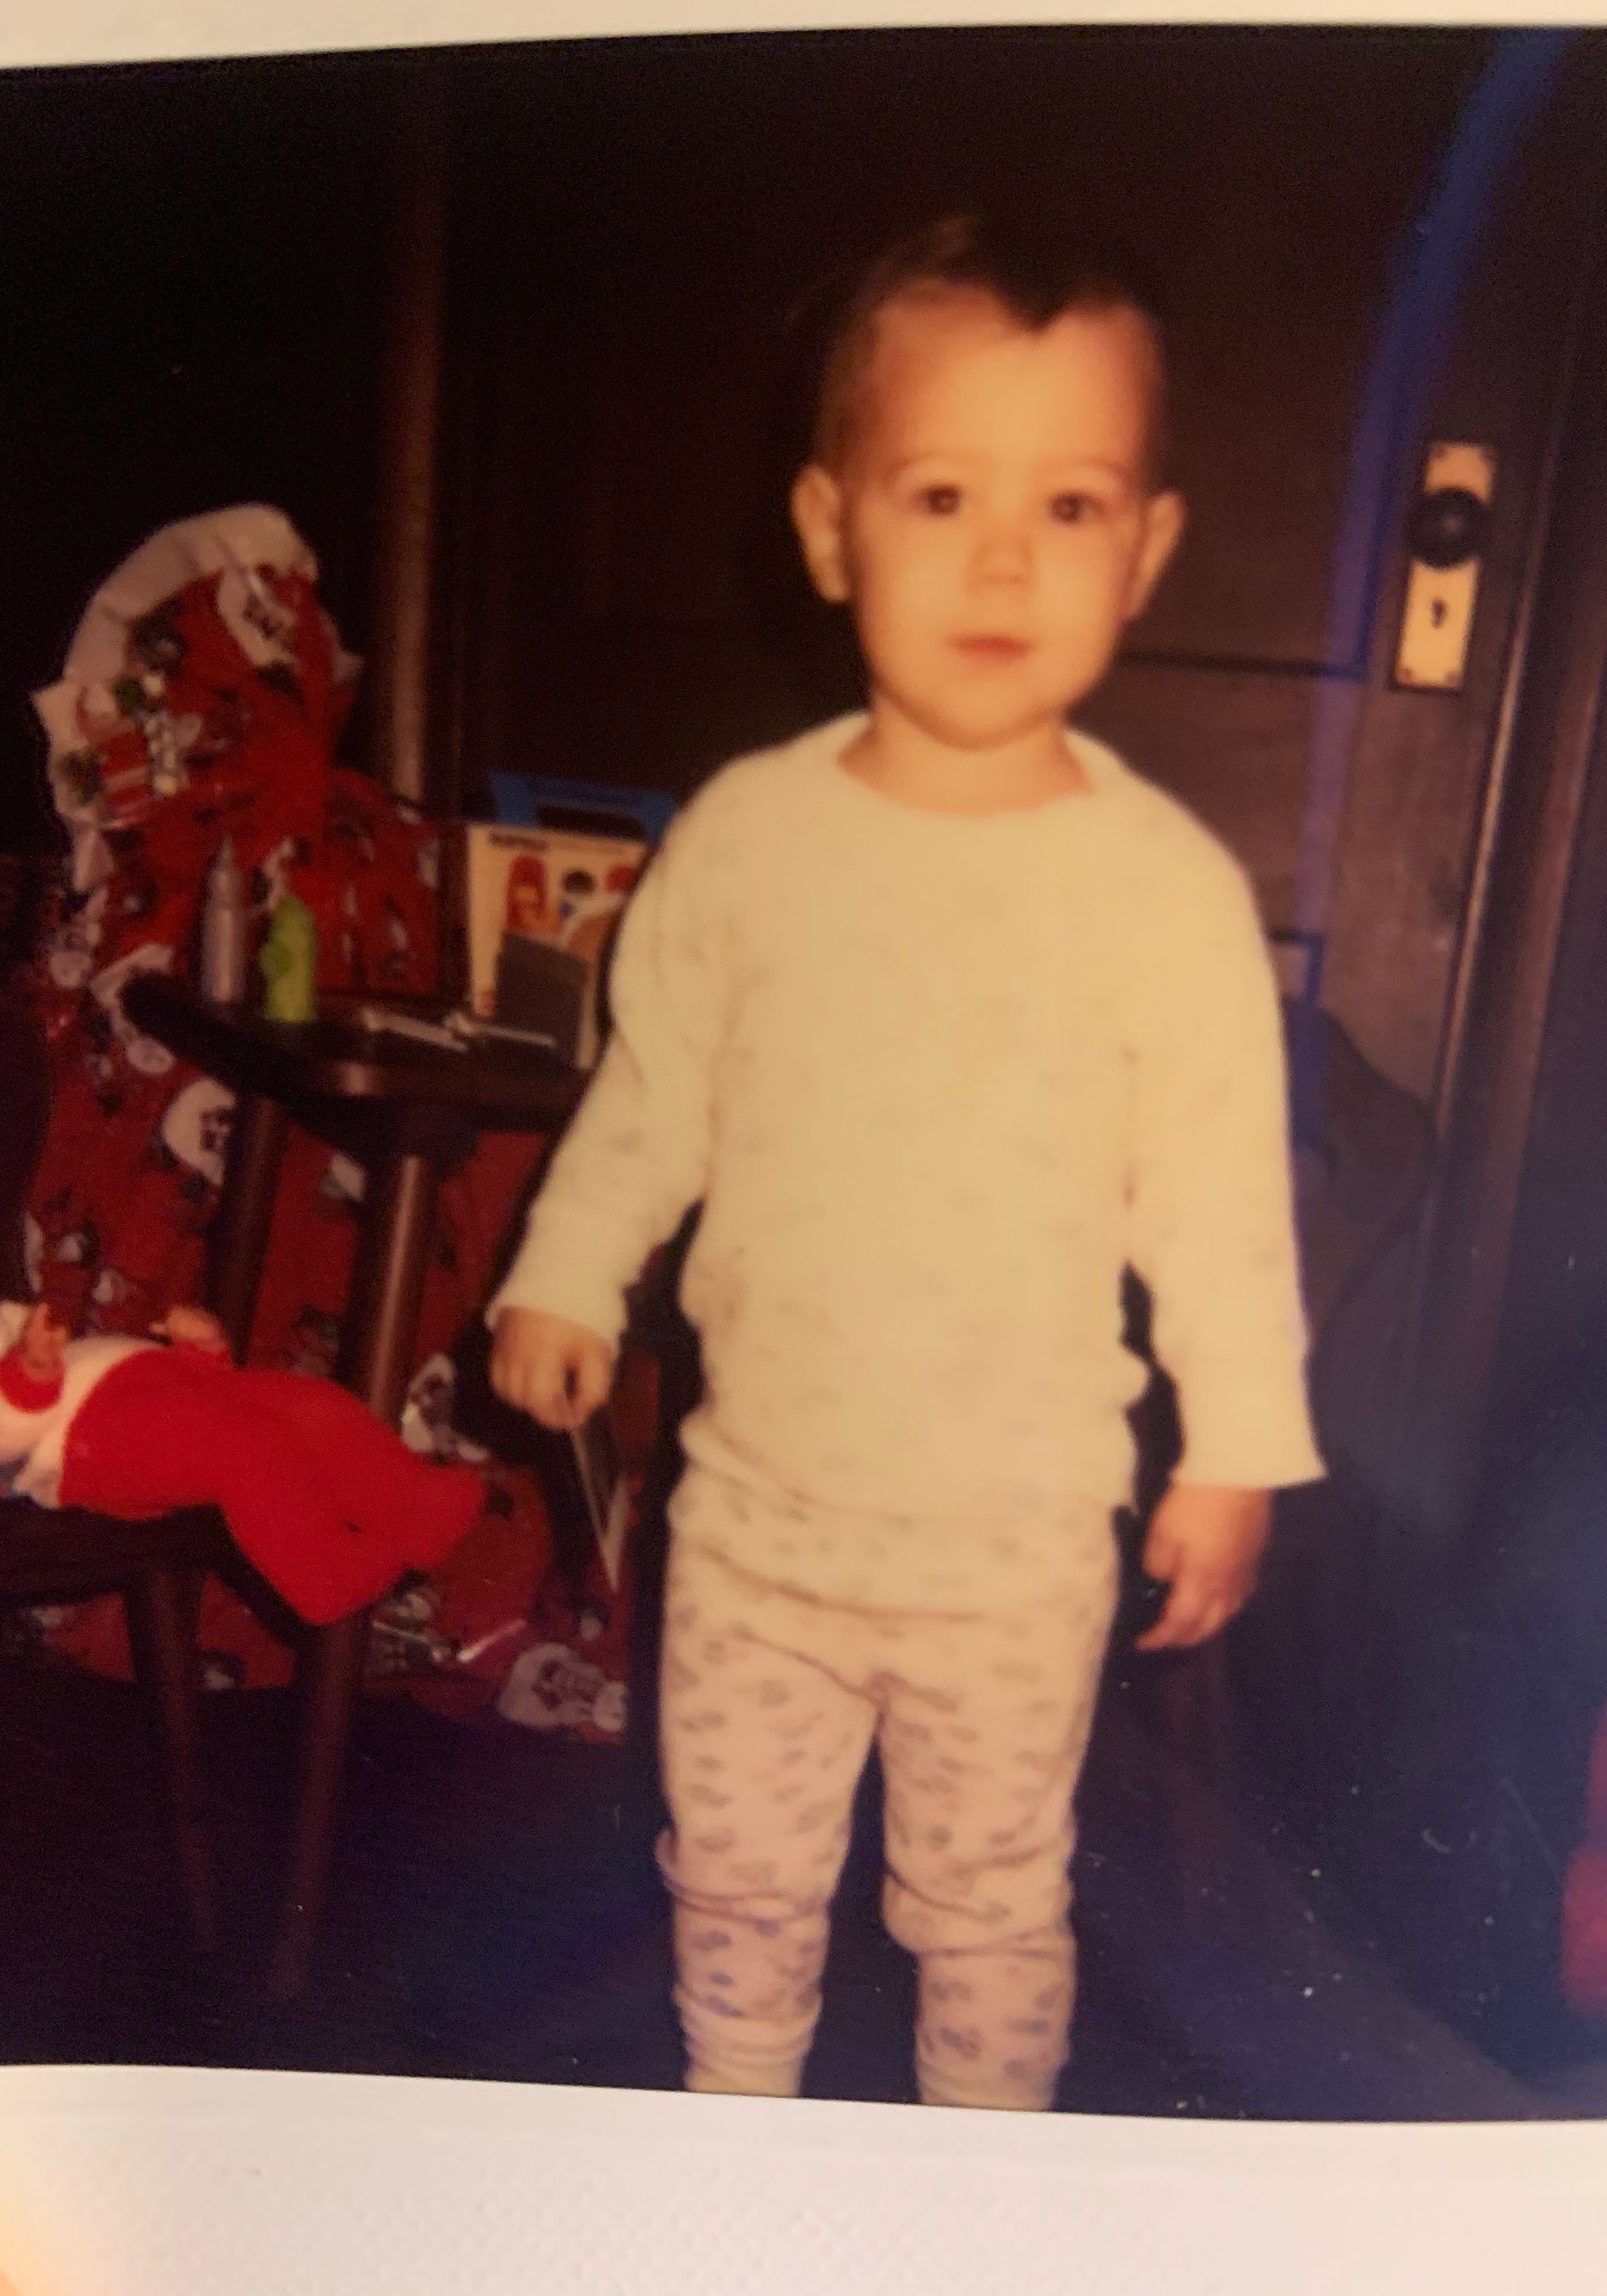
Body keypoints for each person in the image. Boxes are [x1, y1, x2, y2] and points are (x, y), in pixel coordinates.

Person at [488, 212, 1324, 2112]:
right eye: (941, 492)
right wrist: (566, 1265)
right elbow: (657, 1084)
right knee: (740, 1884)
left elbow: (1216, 1193)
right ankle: (741, 2156)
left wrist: (1237, 1448)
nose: (1006, 557)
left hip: (1013, 1553)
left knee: (987, 1904)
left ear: (1152, 551)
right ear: (827, 528)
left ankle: (979, 2196)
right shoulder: (753, 840)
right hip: (762, 1527)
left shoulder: (1162, 894)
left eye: (1075, 503)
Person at [0, 1298, 483, 1626]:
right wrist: (29, 1377)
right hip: (85, 1442)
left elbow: (61, 1341)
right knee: (243, 1451)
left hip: (153, 1382)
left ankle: (413, 1504)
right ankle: (322, 1574)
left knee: (309, 1407)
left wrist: (201, 1350)